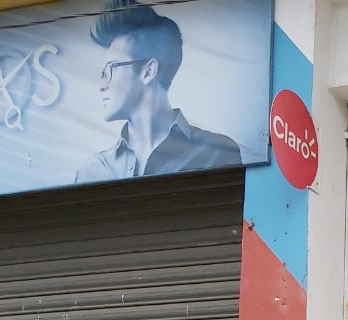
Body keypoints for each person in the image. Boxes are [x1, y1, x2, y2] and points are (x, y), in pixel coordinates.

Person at [75, 0, 242, 183]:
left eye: (110, 70)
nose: (101, 84)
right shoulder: (91, 172)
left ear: (148, 71)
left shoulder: (218, 155)